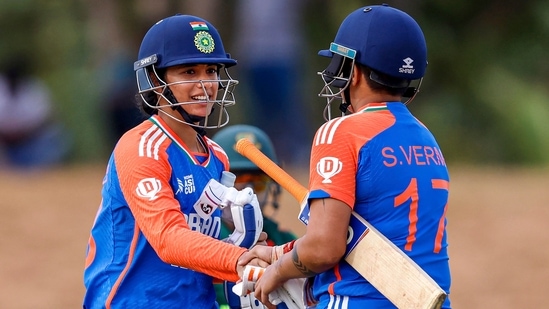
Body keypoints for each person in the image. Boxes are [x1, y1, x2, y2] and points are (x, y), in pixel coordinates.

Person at [239, 4, 452, 308]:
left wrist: (277, 270)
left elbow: (325, 248)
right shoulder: (426, 137)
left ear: (353, 72)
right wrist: (277, 253)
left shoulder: (340, 132)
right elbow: (358, 235)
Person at [83, 14, 269, 309]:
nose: (205, 84)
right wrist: (241, 261)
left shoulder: (217, 156)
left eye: (211, 70)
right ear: (156, 80)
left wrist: (271, 257)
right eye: (189, 72)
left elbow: (202, 250)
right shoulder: (141, 147)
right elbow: (169, 240)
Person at [212, 124, 298, 309]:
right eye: (239, 181)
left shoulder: (282, 238)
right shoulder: (204, 236)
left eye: (259, 183)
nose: (249, 192)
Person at [0, 59, 71, 169]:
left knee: (58, 138)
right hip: (5, 145)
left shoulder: (34, 91)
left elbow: (47, 119)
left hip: (30, 143)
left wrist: (21, 134)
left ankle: (40, 170)